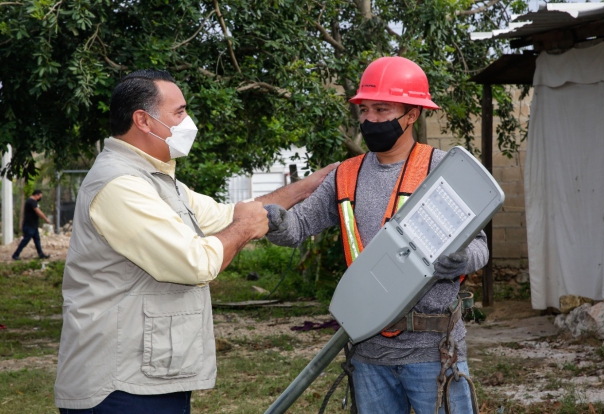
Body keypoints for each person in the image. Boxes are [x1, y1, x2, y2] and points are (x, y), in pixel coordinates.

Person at [54, 69, 336, 413]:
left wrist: (308, 186)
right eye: (179, 113)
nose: (188, 122)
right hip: (119, 384)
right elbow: (196, 262)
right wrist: (246, 228)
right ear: (143, 120)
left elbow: (229, 214)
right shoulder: (120, 185)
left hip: (150, 374)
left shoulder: (155, 178)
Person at [265, 56, 488, 414]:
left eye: (382, 109)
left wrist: (460, 260)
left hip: (434, 351)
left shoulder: (443, 171)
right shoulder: (345, 175)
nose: (370, 119)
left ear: (412, 114)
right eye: (364, 109)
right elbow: (298, 227)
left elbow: (480, 248)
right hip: (369, 352)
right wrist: (273, 221)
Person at [12, 189, 51, 260]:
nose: (40, 198)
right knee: (25, 240)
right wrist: (46, 219)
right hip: (29, 225)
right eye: (40, 196)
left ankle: (41, 254)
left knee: (37, 240)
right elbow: (38, 211)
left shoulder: (32, 201)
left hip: (33, 225)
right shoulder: (32, 202)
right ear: (36, 195)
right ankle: (16, 254)